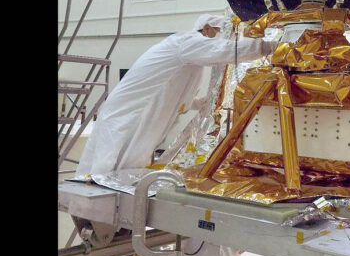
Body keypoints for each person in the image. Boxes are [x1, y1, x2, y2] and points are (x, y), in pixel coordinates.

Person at [76, 14, 275, 177]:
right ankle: (100, 215)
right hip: (131, 114)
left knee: (125, 167)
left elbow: (181, 100)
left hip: (139, 113)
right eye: (218, 32)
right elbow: (222, 51)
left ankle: (107, 215)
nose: (220, 38)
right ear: (206, 28)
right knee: (112, 166)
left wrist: (203, 103)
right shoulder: (188, 42)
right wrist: (269, 46)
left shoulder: (189, 58)